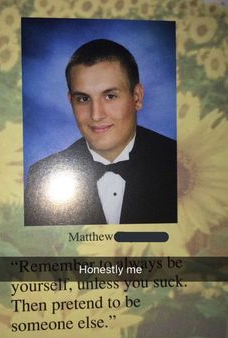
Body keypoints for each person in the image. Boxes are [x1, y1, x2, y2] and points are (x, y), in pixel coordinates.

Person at [24, 39, 177, 226]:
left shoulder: (179, 163)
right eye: (83, 99)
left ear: (137, 97)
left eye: (110, 96)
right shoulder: (41, 176)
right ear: (71, 101)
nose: (96, 115)